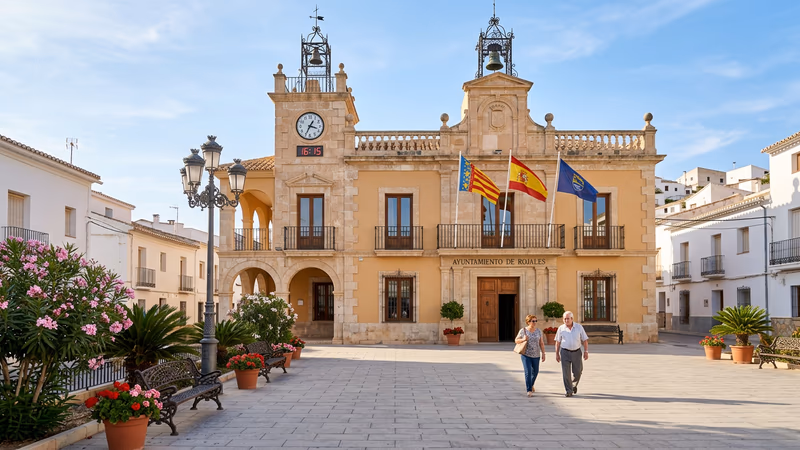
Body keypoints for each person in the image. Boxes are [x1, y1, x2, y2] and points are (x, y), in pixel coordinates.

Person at [554, 311, 588, 397]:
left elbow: (585, 340)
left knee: (578, 372)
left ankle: (573, 385)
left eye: (568, 319)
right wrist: (557, 353)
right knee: (566, 373)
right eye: (564, 319)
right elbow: (558, 342)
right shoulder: (561, 328)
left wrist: (586, 351)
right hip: (565, 352)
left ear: (572, 319)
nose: (566, 320)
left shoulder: (579, 327)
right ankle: (568, 390)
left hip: (577, 352)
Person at [515, 314, 546, 397]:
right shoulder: (523, 330)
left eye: (536, 321)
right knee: (528, 372)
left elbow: (541, 343)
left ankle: (531, 384)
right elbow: (516, 340)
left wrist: (543, 353)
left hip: (536, 355)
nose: (535, 322)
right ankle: (529, 390)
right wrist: (523, 339)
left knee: (535, 372)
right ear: (528, 322)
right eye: (533, 321)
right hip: (526, 355)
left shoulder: (538, 331)